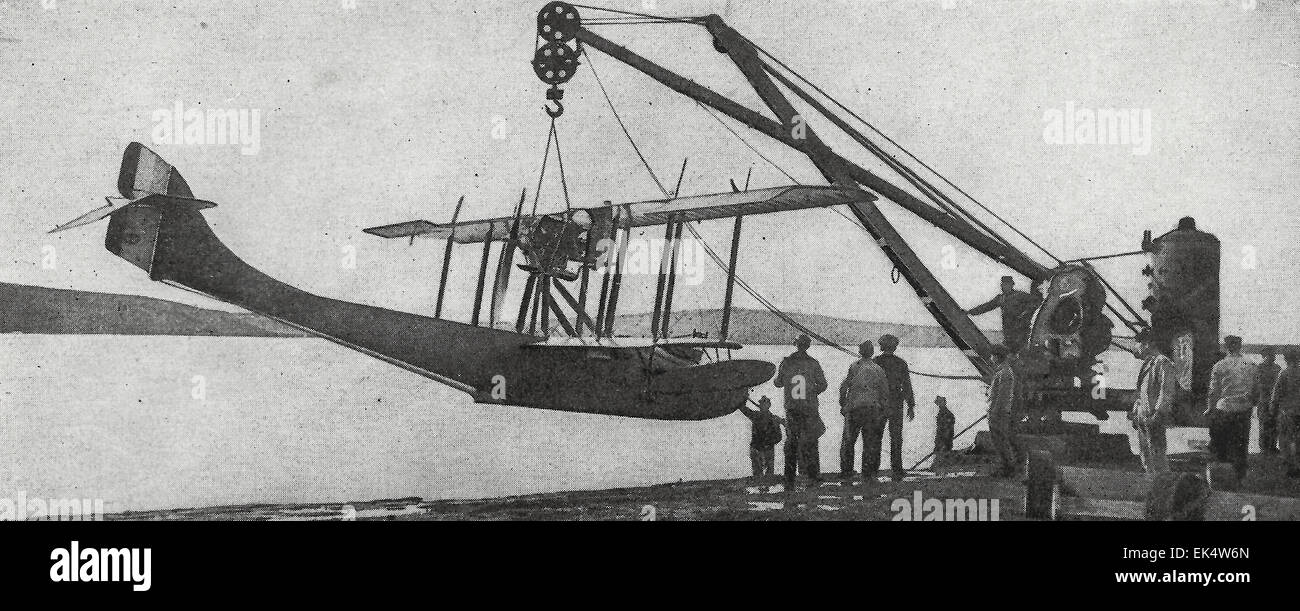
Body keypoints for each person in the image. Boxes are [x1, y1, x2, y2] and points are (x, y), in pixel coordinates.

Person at [775, 335, 827, 489]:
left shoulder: (786, 362)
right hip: (809, 407)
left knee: (791, 441)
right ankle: (814, 475)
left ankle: (789, 477)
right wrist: (812, 392)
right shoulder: (813, 363)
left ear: (795, 344)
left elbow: (778, 382)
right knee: (811, 441)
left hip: (792, 408)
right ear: (808, 346)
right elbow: (823, 385)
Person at [1205, 335, 1257, 482]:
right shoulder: (1251, 365)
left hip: (1224, 410)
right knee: (1241, 445)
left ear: (1226, 347)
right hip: (1244, 410)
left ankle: (1223, 478)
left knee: (1221, 445)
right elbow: (1256, 390)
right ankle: (1239, 478)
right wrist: (1250, 403)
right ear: (1240, 346)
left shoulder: (1220, 365)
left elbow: (1213, 391)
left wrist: (1210, 408)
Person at [838, 340, 890, 480]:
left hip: (854, 409)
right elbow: (885, 393)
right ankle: (868, 475)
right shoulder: (878, 369)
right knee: (869, 443)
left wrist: (843, 405)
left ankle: (846, 473)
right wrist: (884, 410)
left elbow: (843, 387)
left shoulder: (854, 366)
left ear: (860, 352)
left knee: (848, 442)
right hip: (872, 410)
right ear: (872, 353)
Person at [1129, 330, 1177, 474]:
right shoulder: (1148, 363)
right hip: (1143, 417)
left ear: (1147, 344)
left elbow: (1166, 391)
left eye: (1139, 344)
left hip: (1153, 417)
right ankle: (1151, 487)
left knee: (1158, 457)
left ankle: (1163, 487)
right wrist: (1135, 411)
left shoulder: (1163, 363)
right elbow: (1142, 391)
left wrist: (1159, 413)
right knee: (1146, 457)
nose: (1137, 347)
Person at [872, 334, 916, 481]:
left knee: (876, 437)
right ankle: (897, 469)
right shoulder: (901, 363)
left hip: (879, 404)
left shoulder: (875, 362)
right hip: (897, 403)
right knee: (896, 437)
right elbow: (907, 385)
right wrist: (911, 405)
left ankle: (873, 469)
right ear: (895, 347)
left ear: (882, 346)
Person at [966, 276, 1039, 352]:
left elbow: (1036, 303)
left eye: (1006, 284)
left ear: (1011, 285)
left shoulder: (1020, 295)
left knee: (1021, 351)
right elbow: (986, 306)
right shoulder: (1001, 298)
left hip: (1021, 331)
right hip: (1008, 332)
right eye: (1003, 284)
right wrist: (970, 312)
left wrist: (1025, 313)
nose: (1003, 286)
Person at [986, 345, 1021, 477]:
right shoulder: (1002, 371)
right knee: (998, 441)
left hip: (999, 413)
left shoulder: (1005, 372)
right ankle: (1006, 467)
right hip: (997, 412)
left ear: (996, 356)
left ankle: (1009, 468)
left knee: (1001, 441)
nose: (991, 358)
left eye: (992, 356)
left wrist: (994, 412)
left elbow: (1003, 396)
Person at [1269, 349, 1300, 477]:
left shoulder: (1284, 373)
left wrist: (1272, 409)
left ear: (1286, 359)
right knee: (1298, 439)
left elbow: (1276, 394)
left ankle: (1290, 465)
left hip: (1288, 412)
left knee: (1286, 439)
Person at [737, 396, 784, 477]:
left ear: (769, 405)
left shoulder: (773, 419)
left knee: (769, 476)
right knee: (758, 475)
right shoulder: (756, 415)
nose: (763, 405)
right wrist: (742, 398)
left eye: (765, 403)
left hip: (767, 449)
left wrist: (769, 443)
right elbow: (743, 409)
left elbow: (779, 437)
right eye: (762, 403)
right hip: (757, 449)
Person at [1254, 346, 1283, 455]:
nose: (1273, 357)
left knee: (1274, 424)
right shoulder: (1260, 368)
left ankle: (1271, 446)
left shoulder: (1277, 368)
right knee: (1264, 424)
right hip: (1264, 401)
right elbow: (1257, 385)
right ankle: (1264, 447)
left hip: (1272, 401)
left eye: (1273, 355)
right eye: (1270, 354)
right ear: (1264, 355)